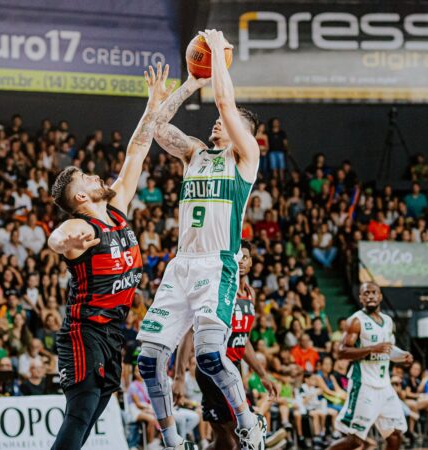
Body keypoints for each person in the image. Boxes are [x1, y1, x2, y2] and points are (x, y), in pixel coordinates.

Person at [137, 29, 264, 450]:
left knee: (210, 356)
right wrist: (192, 82)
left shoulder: (244, 159)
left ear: (245, 132)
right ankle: (172, 441)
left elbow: (226, 104)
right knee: (148, 359)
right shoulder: (194, 153)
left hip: (216, 263)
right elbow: (157, 127)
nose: (217, 121)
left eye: (228, 122)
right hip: (181, 265)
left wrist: (218, 56)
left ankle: (249, 423)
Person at [47, 63, 169, 450]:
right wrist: (65, 238)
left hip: (113, 332)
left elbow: (137, 150)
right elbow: (57, 237)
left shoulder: (117, 208)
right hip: (85, 331)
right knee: (81, 410)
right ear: (80, 197)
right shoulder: (81, 230)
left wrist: (152, 105)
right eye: (85, 177)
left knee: (93, 410)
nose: (96, 176)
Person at [174, 241, 279, 450]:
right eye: (236, 256)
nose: (240, 261)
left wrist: (262, 374)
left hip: (235, 370)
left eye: (245, 257)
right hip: (214, 370)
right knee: (244, 436)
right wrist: (179, 377)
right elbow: (190, 332)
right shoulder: (217, 291)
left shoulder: (250, 294)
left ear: (251, 263)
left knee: (224, 442)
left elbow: (244, 339)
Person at [327, 282, 412, 450]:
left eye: (373, 293)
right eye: (366, 293)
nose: (370, 296)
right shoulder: (356, 321)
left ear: (380, 296)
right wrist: (372, 349)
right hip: (364, 384)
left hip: (384, 385)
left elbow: (387, 349)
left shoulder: (388, 321)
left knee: (395, 435)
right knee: (355, 441)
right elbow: (342, 352)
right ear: (360, 298)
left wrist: (402, 356)